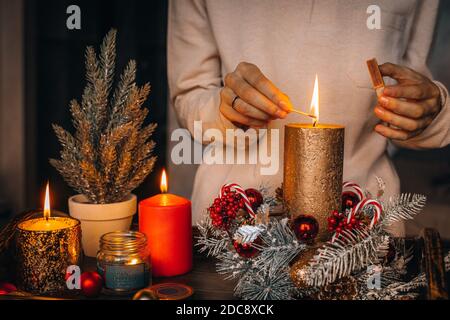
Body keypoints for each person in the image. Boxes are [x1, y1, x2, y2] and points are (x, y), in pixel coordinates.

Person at [168, 0, 450, 234]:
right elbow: (188, 94)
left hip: (360, 223)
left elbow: (413, 96)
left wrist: (432, 112)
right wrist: (227, 113)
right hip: (238, 221)